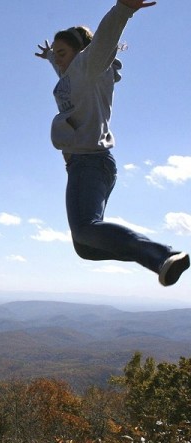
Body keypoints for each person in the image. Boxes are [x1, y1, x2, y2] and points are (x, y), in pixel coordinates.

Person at [35, 0, 189, 286]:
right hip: (88, 165)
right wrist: (50, 58)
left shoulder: (88, 66)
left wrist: (123, 9)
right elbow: (65, 72)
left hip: (89, 162)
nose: (58, 58)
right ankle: (154, 256)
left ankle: (161, 256)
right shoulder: (74, 74)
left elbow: (103, 40)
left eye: (62, 53)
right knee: (86, 247)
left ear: (81, 52)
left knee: (85, 230)